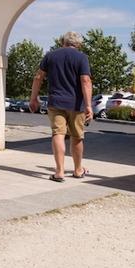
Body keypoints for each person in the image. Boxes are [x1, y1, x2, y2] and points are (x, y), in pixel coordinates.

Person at [30, 31, 93, 182]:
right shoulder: (82, 57)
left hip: (56, 102)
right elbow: (85, 80)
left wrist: (33, 98)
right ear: (78, 44)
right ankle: (78, 170)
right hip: (76, 104)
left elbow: (38, 77)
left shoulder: (50, 56)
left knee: (58, 134)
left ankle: (59, 172)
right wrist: (89, 105)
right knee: (77, 136)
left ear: (62, 42)